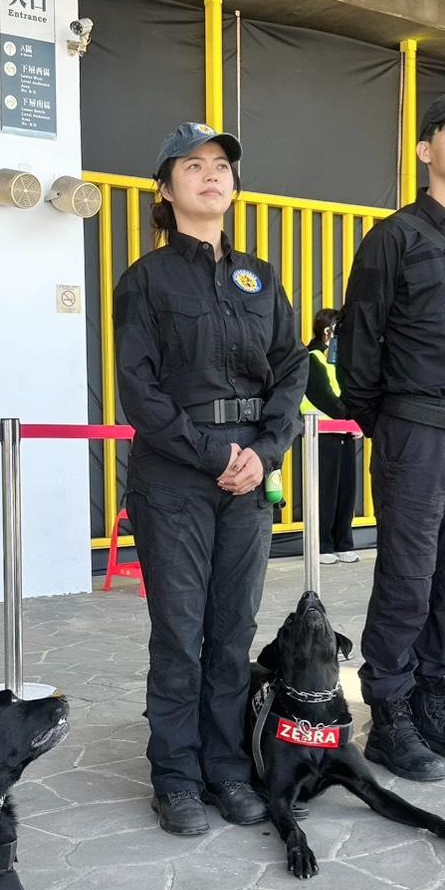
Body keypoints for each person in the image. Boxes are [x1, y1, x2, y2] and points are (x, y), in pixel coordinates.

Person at [115, 122, 308, 836]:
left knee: (232, 632)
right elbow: (139, 389)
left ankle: (226, 770)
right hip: (176, 477)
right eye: (192, 166)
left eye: (221, 165)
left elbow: (292, 367)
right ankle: (175, 776)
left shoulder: (261, 276)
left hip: (251, 470)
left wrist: (265, 450)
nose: (210, 175)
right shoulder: (145, 280)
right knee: (179, 633)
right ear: (164, 191)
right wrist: (212, 455)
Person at [336, 91, 445, 782]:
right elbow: (361, 342)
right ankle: (389, 713)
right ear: (425, 150)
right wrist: (393, 424)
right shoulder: (395, 237)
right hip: (416, 433)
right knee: (407, 582)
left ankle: (432, 695)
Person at [302, 308, 361, 564]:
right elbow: (325, 399)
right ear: (328, 332)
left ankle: (343, 542)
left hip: (344, 433)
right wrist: (352, 418)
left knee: (346, 490)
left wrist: (356, 421)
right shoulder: (311, 358)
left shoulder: (339, 360)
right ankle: (322, 545)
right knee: (324, 492)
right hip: (321, 435)